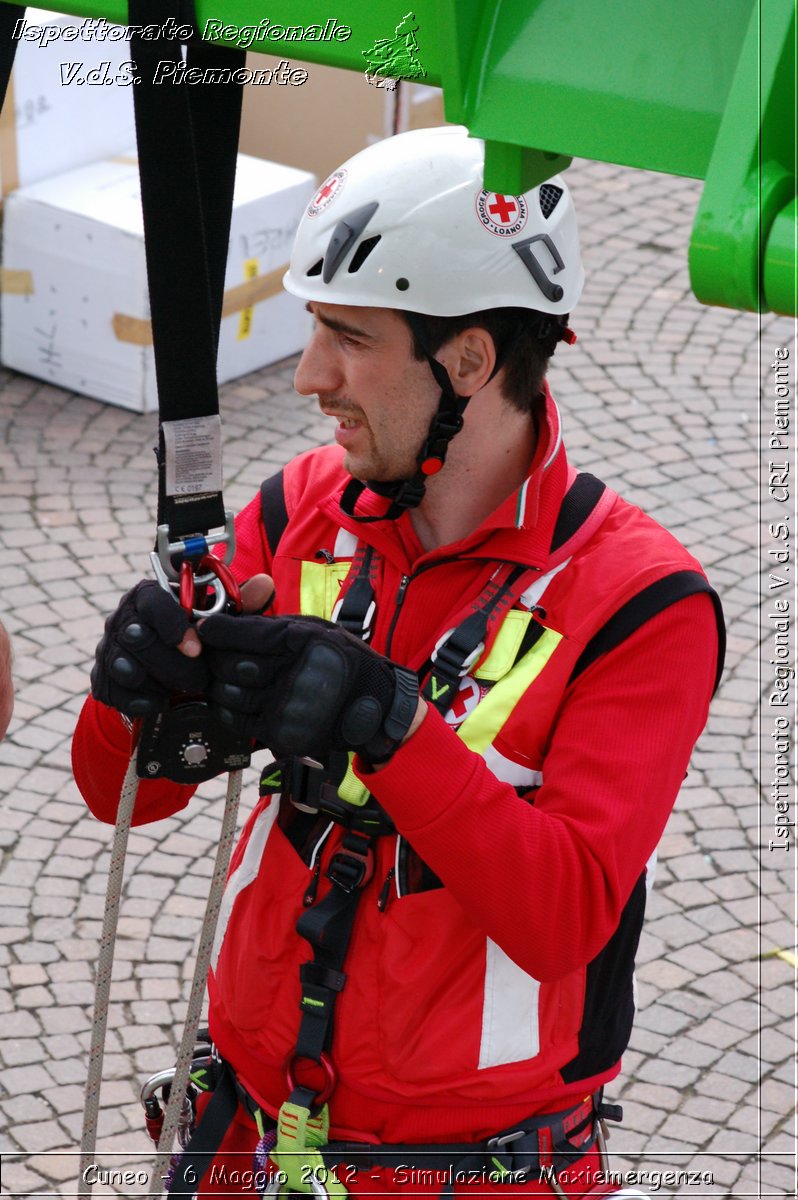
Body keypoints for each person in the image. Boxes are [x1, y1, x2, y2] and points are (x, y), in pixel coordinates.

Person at [73, 127, 724, 1199]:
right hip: (243, 1131)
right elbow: (118, 798)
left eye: (348, 337)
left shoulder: (639, 603)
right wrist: (135, 693)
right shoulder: (302, 510)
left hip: (459, 1172)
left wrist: (392, 725)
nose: (310, 378)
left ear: (468, 360)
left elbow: (563, 916)